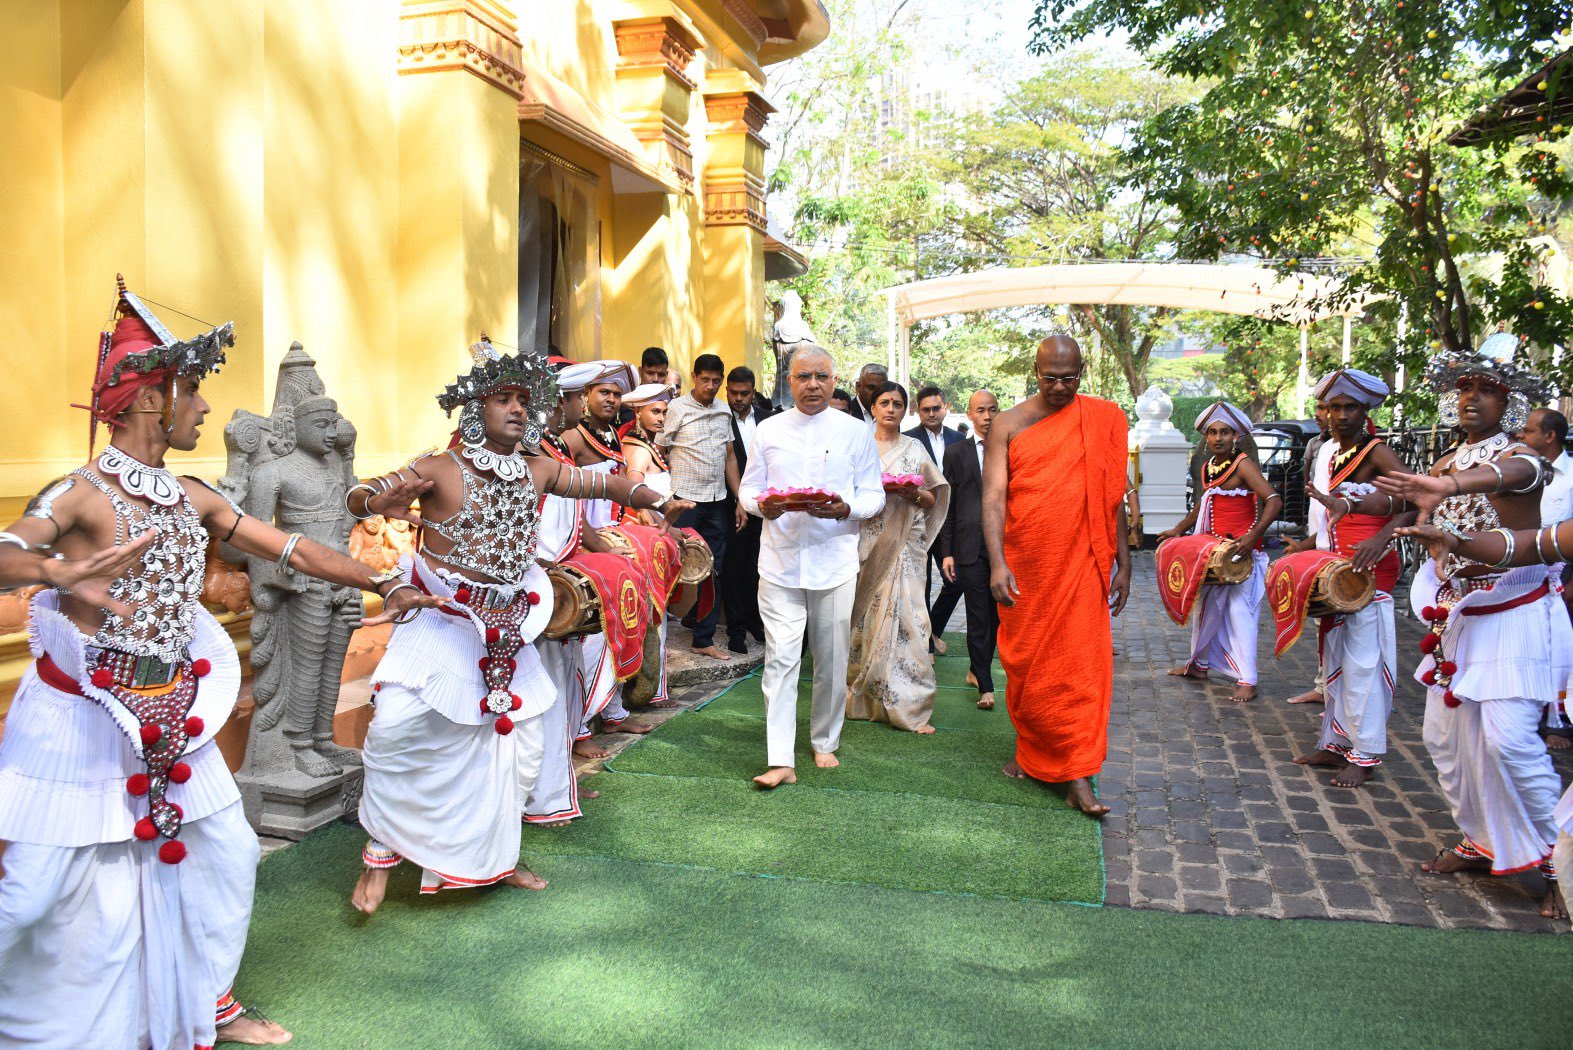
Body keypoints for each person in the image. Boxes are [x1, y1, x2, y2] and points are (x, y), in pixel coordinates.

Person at [0, 280, 437, 1048]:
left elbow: (289, 548)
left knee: (228, 853)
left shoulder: (191, 495)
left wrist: (381, 577)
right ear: (149, 400)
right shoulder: (77, 494)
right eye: (192, 390)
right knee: (39, 892)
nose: (204, 408)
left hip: (174, 713)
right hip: (80, 722)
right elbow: (11, 550)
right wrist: (52, 575)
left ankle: (206, 998)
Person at [349, 340, 691, 914]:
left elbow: (601, 485)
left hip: (509, 627)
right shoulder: (440, 467)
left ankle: (492, 862)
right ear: (476, 409)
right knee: (397, 733)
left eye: (523, 400)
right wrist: (379, 496)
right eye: (502, 399)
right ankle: (379, 859)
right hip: (442, 622)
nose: (516, 408)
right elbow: (361, 497)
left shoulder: (537, 469)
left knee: (519, 750)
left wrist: (652, 495)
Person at [1374, 351, 1568, 918]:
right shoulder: (1447, 457)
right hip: (1458, 616)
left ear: (1508, 401)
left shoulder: (1521, 455)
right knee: (1446, 740)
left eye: (1486, 389)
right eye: (1464, 388)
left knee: (1509, 742)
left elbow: (1514, 479)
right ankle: (1483, 840)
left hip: (1516, 613)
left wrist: (1450, 484)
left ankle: (1560, 862)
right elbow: (1412, 502)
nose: (1471, 398)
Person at [985, 336, 1130, 817]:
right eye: (1051, 378)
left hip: (1084, 564)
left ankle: (1078, 774)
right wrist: (997, 563)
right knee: (1027, 667)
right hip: (1027, 562)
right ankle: (1031, 753)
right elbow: (993, 500)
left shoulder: (1102, 417)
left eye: (1070, 378)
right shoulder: (1007, 424)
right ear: (1035, 370)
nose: (1061, 387)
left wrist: (1123, 562)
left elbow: (1112, 495)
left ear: (1082, 371)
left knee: (1080, 670)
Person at [739, 345, 885, 788]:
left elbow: (874, 495)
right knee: (780, 659)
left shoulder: (855, 432)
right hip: (780, 561)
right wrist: (766, 506)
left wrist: (845, 508)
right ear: (790, 380)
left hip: (834, 561)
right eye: (803, 377)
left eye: (821, 376)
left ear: (834, 379)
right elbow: (749, 491)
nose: (813, 385)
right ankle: (780, 758)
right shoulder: (768, 429)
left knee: (832, 658)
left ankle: (824, 741)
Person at [1285, 372, 1413, 786]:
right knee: (1335, 656)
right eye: (1334, 407)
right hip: (1340, 566)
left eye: (1350, 407)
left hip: (1370, 569)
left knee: (1363, 663)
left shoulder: (1377, 451)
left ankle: (1367, 752)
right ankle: (1337, 741)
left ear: (1366, 410)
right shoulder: (1335, 451)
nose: (1340, 415)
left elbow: (1417, 500)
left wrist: (1381, 536)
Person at [1158, 401, 1281, 703]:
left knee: (1242, 614)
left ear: (1235, 436)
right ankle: (1199, 666)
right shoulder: (1209, 466)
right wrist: (1179, 529)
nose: (1217, 438)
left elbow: (1274, 500)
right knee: (1207, 610)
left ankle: (1248, 680)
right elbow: (1204, 504)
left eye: (1224, 432)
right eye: (1212, 433)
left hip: (1241, 555)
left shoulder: (1243, 465)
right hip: (1214, 553)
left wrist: (1253, 536)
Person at [524, 360, 602, 827]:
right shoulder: (510, 456)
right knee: (535, 701)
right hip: (517, 600)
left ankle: (552, 790)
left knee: (556, 694)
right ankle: (539, 797)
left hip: (546, 591)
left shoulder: (544, 453)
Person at [847, 382, 950, 733]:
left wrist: (913, 493)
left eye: (897, 403)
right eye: (884, 402)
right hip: (867, 543)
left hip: (905, 545)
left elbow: (934, 498)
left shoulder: (915, 448)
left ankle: (910, 704)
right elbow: (846, 494)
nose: (890, 408)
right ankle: (864, 696)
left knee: (910, 622)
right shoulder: (858, 447)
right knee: (867, 618)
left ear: (906, 410)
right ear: (873, 407)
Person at [658, 353, 743, 661]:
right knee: (670, 566)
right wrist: (664, 499)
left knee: (713, 571)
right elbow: (659, 450)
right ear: (694, 376)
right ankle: (656, 640)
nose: (710, 386)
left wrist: (739, 501)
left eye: (716, 381)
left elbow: (730, 457)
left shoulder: (724, 410)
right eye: (705, 379)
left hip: (718, 501)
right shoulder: (676, 409)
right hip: (683, 502)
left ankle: (703, 639)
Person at [931, 390, 1002, 710]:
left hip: (1003, 548)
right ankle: (986, 687)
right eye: (981, 411)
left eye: (992, 410)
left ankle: (977, 669)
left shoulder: (1009, 451)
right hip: (969, 548)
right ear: (969, 416)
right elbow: (949, 506)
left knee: (996, 617)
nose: (987, 417)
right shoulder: (956, 453)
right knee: (977, 617)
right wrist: (947, 551)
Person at [620, 380, 679, 709]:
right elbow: (632, 485)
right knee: (646, 616)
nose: (661, 417)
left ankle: (653, 691)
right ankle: (639, 693)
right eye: (654, 411)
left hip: (655, 540)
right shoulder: (638, 449)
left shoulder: (653, 445)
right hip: (639, 542)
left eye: (665, 412)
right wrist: (649, 516)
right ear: (637, 412)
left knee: (658, 616)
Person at [1520, 407, 1572, 749]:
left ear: (1549, 436)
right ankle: (1529, 709)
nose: (1521, 436)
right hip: (1527, 568)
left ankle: (1561, 719)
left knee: (1563, 649)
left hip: (1563, 572)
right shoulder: (1522, 471)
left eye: (1528, 431)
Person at [721, 365, 772, 653]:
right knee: (735, 568)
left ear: (753, 392)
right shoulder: (720, 419)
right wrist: (738, 499)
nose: (738, 398)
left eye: (744, 393)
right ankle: (735, 630)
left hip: (765, 505)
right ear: (726, 391)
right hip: (732, 504)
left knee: (759, 566)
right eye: (733, 393)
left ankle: (756, 622)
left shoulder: (768, 420)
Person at [904, 384, 964, 618]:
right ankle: (925, 641)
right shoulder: (909, 440)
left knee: (955, 581)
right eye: (925, 409)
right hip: (920, 519)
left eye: (936, 408)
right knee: (922, 583)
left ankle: (935, 629)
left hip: (950, 522)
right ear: (918, 411)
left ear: (945, 408)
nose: (931, 413)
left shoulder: (958, 438)